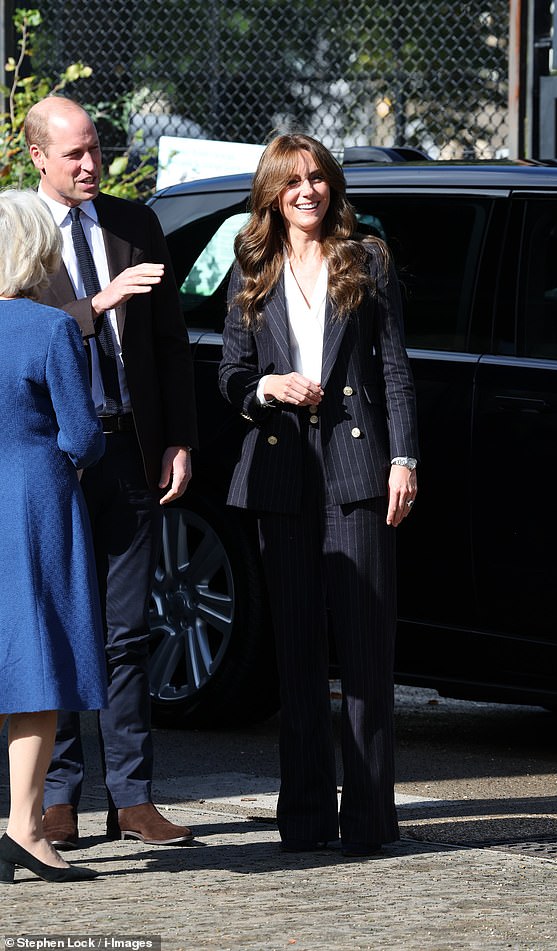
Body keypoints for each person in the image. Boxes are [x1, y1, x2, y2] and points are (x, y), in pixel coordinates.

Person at [218, 133, 419, 857]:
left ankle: (369, 821)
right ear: (272, 192)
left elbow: (394, 368)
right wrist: (267, 387)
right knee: (298, 658)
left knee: (365, 658)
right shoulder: (253, 266)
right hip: (282, 474)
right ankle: (303, 821)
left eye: (319, 178)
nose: (309, 190)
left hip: (359, 471)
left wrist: (404, 457)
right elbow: (231, 372)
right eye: (294, 180)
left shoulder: (366, 259)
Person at [24, 96, 198, 849]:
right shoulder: (19, 233)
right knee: (59, 627)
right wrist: (96, 304)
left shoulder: (136, 223)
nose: (90, 164)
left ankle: (133, 795)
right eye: (73, 154)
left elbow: (169, 343)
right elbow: (16, 326)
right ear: (37, 158)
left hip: (129, 447)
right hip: (51, 453)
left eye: (95, 149)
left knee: (129, 629)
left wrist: (178, 439)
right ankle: (57, 794)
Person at [0, 189, 106, 883]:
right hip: (35, 503)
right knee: (37, 666)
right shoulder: (49, 329)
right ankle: (26, 825)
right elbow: (84, 434)